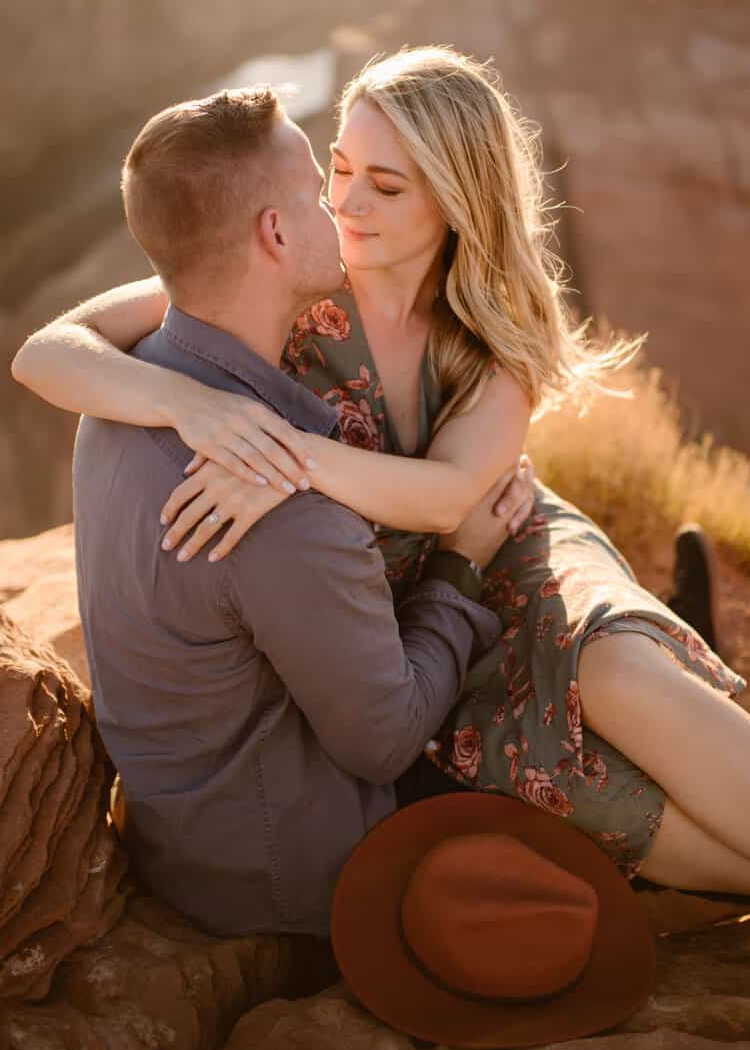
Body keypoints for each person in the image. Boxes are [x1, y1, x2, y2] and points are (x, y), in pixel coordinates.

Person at [14, 48, 750, 1005]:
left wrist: (287, 459)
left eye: (386, 186)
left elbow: (454, 498)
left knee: (615, 672)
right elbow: (50, 354)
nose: (350, 204)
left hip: (498, 537)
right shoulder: (292, 275)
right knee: (579, 778)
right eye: (339, 172)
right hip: (383, 604)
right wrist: (186, 407)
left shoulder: (493, 328)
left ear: (456, 199)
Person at [40, 83, 529, 937]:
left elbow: (50, 350)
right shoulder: (290, 512)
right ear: (274, 233)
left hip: (181, 837)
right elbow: (385, 742)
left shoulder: (120, 396)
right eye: (318, 189)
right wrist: (461, 563)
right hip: (300, 872)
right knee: (538, 731)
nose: (339, 206)